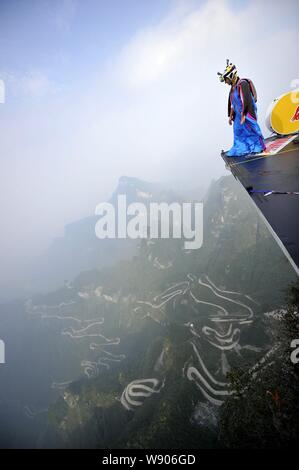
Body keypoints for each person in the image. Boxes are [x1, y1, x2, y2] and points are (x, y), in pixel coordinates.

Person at [218, 60, 266, 157]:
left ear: (231, 76)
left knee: (251, 130)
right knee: (238, 131)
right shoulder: (232, 88)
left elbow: (246, 100)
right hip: (238, 114)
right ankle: (242, 148)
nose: (226, 82)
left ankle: (257, 147)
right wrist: (231, 116)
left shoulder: (242, 84)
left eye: (226, 79)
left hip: (246, 112)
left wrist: (244, 115)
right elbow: (232, 103)